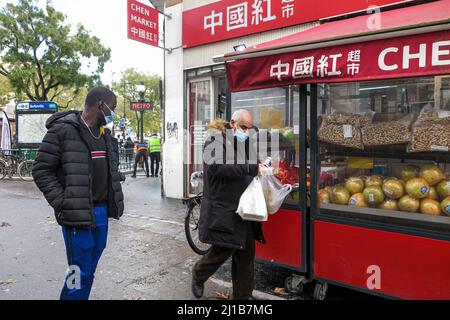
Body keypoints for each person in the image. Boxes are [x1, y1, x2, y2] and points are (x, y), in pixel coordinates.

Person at [32, 86, 125, 300]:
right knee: (78, 270)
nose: (114, 113)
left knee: (89, 270)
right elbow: (41, 170)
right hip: (77, 214)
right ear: (100, 105)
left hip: (101, 213)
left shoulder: (106, 135)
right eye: (113, 108)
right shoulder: (62, 130)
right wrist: (63, 202)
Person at [192, 109, 265, 300]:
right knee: (221, 251)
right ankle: (198, 274)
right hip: (223, 208)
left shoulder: (242, 142)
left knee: (246, 255)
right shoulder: (213, 141)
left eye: (249, 128)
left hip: (244, 209)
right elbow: (221, 167)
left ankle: (243, 296)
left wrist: (260, 166)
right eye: (243, 127)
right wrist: (252, 167)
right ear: (232, 123)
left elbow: (249, 163)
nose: (246, 132)